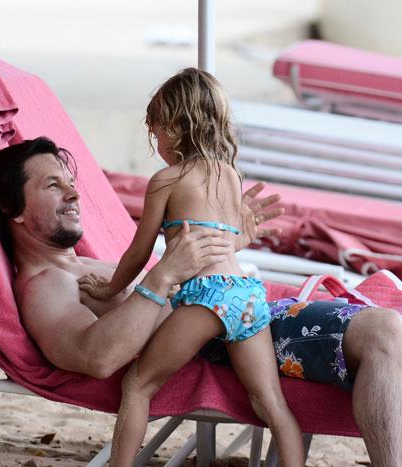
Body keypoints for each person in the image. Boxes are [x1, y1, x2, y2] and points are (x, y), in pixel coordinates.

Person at [0, 134, 402, 467]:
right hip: (234, 338)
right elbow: (95, 357)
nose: (74, 192)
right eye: (52, 186)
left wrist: (227, 244)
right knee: (383, 329)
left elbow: (177, 284)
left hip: (246, 312)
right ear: (12, 209)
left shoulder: (77, 267)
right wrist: (163, 275)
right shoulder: (43, 287)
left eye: (68, 181)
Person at [78, 68, 304, 467]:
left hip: (205, 297)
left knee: (138, 385)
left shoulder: (166, 180)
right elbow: (224, 242)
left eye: (158, 132)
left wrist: (111, 289)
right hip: (246, 293)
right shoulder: (230, 175)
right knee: (271, 403)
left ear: (180, 128)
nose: (156, 143)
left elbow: (138, 251)